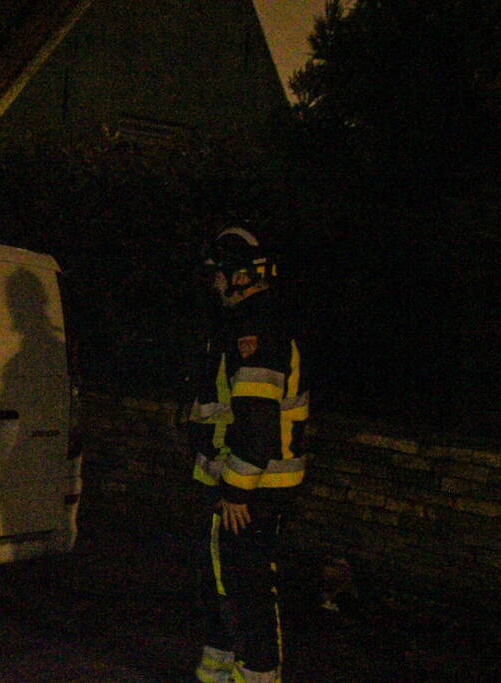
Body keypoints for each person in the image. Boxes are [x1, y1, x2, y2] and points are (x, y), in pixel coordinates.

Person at [188, 226, 309, 683]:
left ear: (238, 274)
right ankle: (218, 670)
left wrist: (236, 488)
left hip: (251, 489)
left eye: (217, 274)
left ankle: (257, 675)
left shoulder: (258, 328)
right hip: (233, 482)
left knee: (246, 587)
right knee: (220, 582)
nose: (213, 284)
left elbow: (257, 420)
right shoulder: (243, 323)